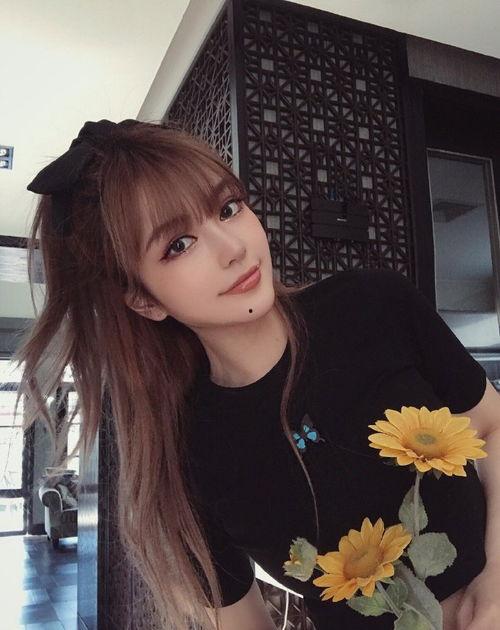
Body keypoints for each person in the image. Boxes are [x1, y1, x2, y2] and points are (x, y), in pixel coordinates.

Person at [15, 118, 490, 630]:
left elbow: (492, 425)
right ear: (144, 300)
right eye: (179, 244)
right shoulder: (187, 452)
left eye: (228, 208)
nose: (233, 247)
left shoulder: (373, 306)